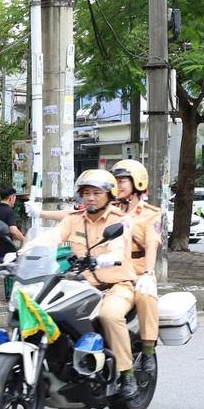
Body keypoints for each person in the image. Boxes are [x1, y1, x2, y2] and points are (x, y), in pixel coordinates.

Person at [50, 169, 146, 394]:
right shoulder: (73, 220)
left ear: (109, 195)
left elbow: (118, 245)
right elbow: (51, 237)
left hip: (118, 285)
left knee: (109, 315)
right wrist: (23, 252)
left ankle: (126, 375)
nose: (90, 197)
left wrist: (107, 259)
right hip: (83, 284)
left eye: (96, 193)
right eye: (86, 193)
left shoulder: (120, 221)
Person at [110, 159, 164, 375]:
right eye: (115, 181)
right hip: (109, 272)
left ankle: (148, 349)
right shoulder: (110, 209)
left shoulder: (150, 213)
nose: (118, 185)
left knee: (146, 295)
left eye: (122, 181)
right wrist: (41, 214)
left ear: (137, 184)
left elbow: (152, 245)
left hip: (137, 273)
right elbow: (77, 219)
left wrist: (149, 274)